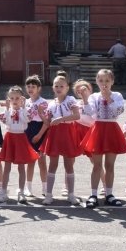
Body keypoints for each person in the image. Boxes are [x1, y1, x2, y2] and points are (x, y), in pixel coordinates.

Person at [79, 69, 126, 208]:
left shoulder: (117, 95)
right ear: (97, 81)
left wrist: (108, 98)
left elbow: (119, 110)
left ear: (112, 81)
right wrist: (85, 98)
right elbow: (90, 112)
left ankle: (109, 194)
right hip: (98, 130)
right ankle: (93, 195)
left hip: (112, 129)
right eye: (101, 80)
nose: (104, 83)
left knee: (110, 165)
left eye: (107, 80)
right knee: (97, 165)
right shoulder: (94, 96)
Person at [40, 72, 83, 205]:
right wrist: (40, 114)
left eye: (61, 86)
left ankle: (71, 195)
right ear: (53, 87)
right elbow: (48, 122)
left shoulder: (71, 100)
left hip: (68, 133)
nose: (58, 88)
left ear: (67, 87)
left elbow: (77, 116)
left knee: (68, 165)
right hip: (54, 134)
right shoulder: (51, 103)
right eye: (56, 86)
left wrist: (61, 119)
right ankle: (49, 195)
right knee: (52, 165)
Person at [0, 86, 38, 204]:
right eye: (12, 98)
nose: (14, 101)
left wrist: (23, 108)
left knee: (21, 166)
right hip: (10, 138)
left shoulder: (26, 111)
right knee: (7, 166)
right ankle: (3, 192)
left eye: (17, 98)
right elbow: (8, 122)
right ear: (8, 99)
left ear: (22, 99)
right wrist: (7, 109)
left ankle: (21, 191)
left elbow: (27, 120)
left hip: (21, 138)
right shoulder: (6, 112)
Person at [23, 75, 49, 198]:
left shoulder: (43, 102)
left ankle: (45, 188)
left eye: (33, 86)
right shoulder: (26, 102)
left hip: (39, 130)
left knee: (42, 162)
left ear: (38, 88)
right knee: (30, 161)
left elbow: (46, 122)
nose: (30, 89)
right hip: (28, 130)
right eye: (28, 86)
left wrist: (39, 135)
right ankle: (28, 188)